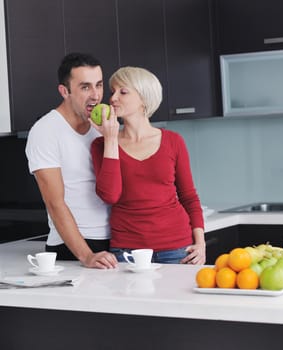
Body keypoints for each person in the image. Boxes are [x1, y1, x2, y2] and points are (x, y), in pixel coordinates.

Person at [90, 66, 206, 264]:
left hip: (177, 247)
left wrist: (201, 244)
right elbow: (110, 195)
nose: (113, 98)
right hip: (127, 251)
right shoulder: (101, 145)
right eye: (113, 92)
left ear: (144, 98)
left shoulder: (173, 141)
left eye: (123, 92)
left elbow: (189, 197)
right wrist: (110, 139)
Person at [25, 53, 118, 269]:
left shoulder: (104, 128)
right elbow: (55, 203)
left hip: (114, 241)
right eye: (85, 87)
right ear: (64, 91)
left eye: (99, 85)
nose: (96, 95)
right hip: (73, 247)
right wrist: (86, 256)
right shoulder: (45, 131)